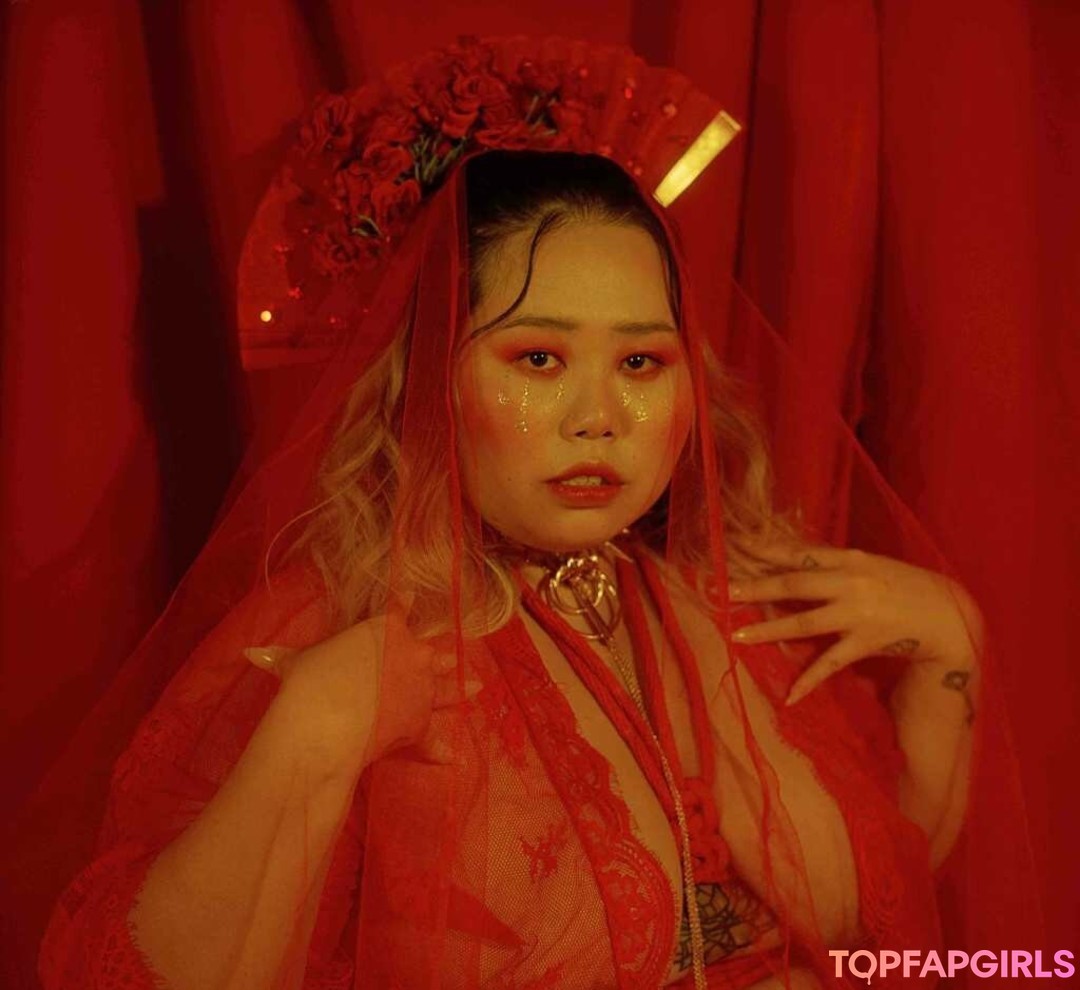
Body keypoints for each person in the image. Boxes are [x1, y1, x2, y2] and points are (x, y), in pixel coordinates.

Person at [33, 36, 1013, 990]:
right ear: (425, 379)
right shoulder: (338, 634)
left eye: (641, 361)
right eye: (539, 358)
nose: (599, 417)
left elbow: (881, 921)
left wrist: (949, 649)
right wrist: (315, 734)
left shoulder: (723, 599)